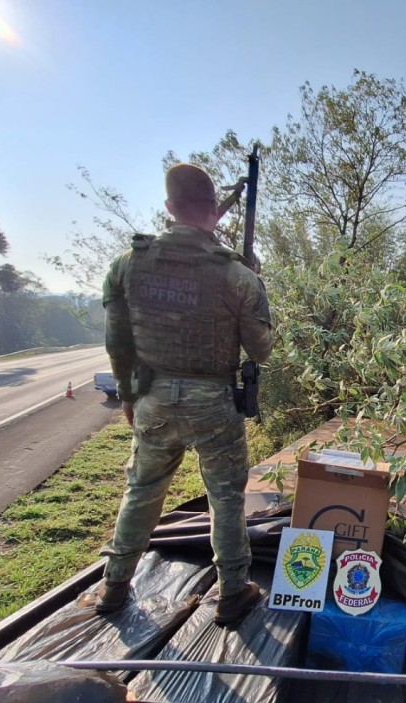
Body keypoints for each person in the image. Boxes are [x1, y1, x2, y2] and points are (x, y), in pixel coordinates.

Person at [95, 163, 274, 626]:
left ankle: (114, 586)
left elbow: (117, 342)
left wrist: (129, 396)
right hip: (214, 402)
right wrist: (255, 282)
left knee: (142, 490)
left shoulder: (127, 263)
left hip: (152, 397)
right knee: (226, 498)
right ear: (215, 209)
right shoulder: (236, 275)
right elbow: (261, 349)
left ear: (169, 207)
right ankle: (233, 592)